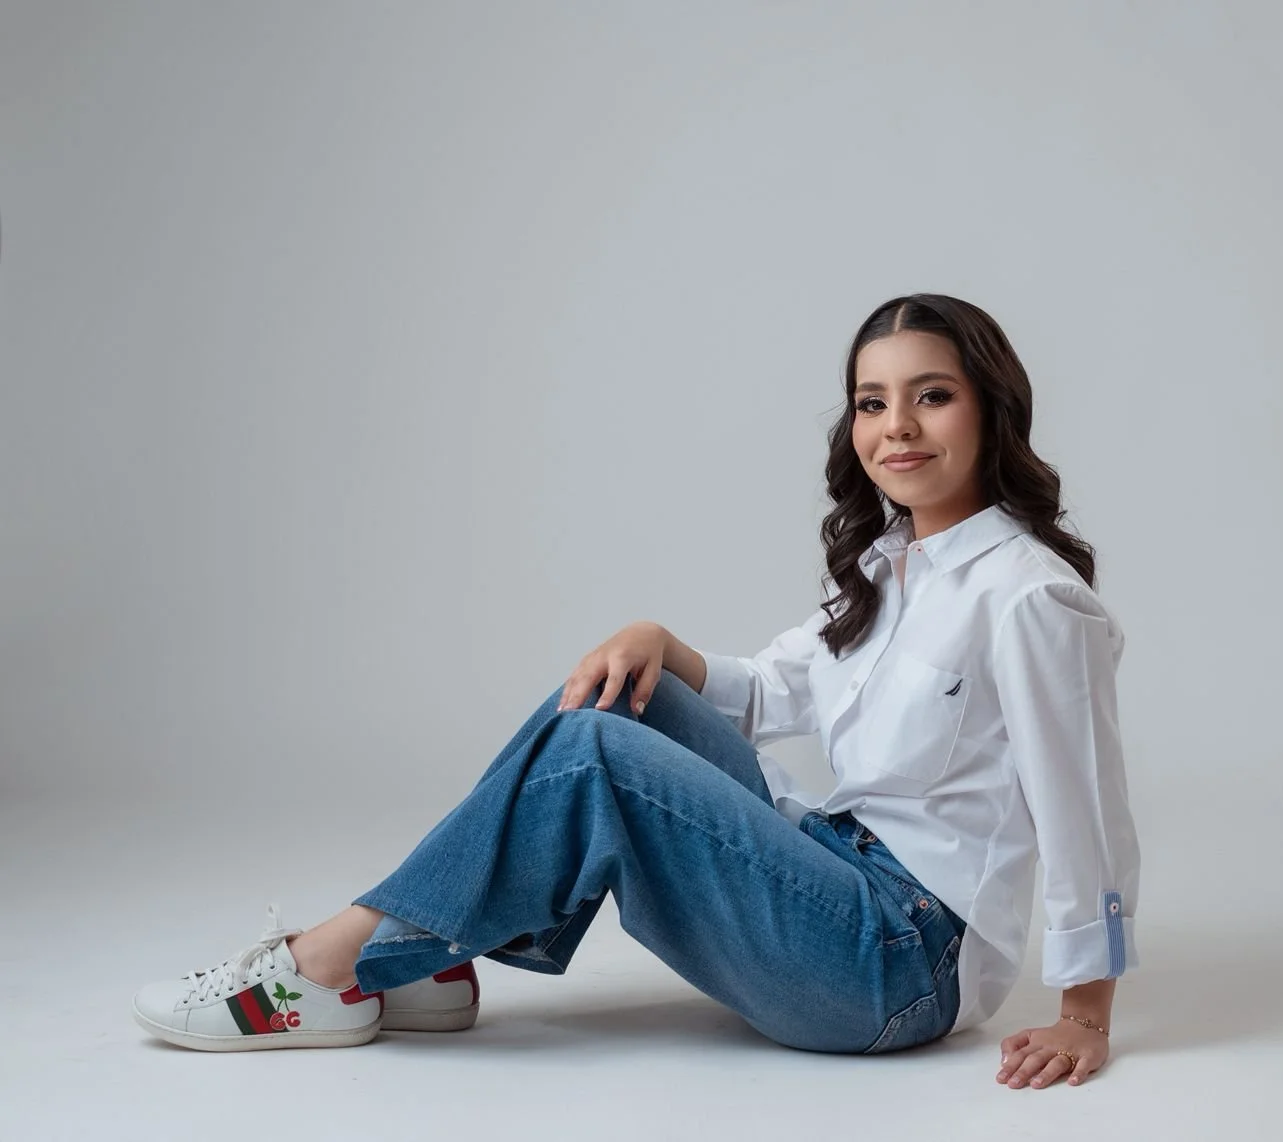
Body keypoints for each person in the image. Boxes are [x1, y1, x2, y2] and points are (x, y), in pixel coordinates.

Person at [132, 293, 1141, 1091]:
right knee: (620, 692)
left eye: (932, 395)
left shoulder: (1029, 596)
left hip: (900, 961)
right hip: (839, 873)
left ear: (990, 407)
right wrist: (660, 643)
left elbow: (1086, 807)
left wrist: (1084, 1014)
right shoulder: (889, 565)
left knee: (595, 753)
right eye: (872, 402)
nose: (896, 427)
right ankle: (423, 964)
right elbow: (774, 691)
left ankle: (325, 966)